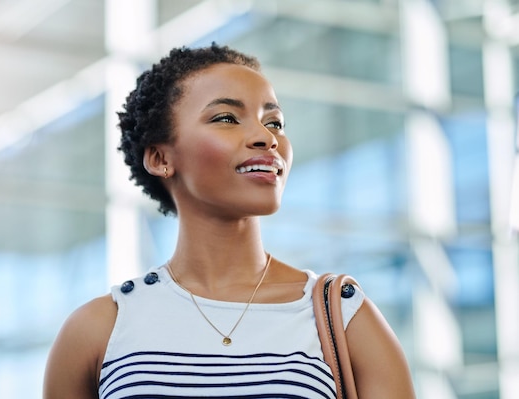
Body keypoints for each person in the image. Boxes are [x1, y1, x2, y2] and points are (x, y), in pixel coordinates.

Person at [43, 43, 416, 399]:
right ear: (159, 158)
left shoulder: (345, 317)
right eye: (226, 118)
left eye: (275, 122)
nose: (265, 137)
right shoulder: (98, 329)